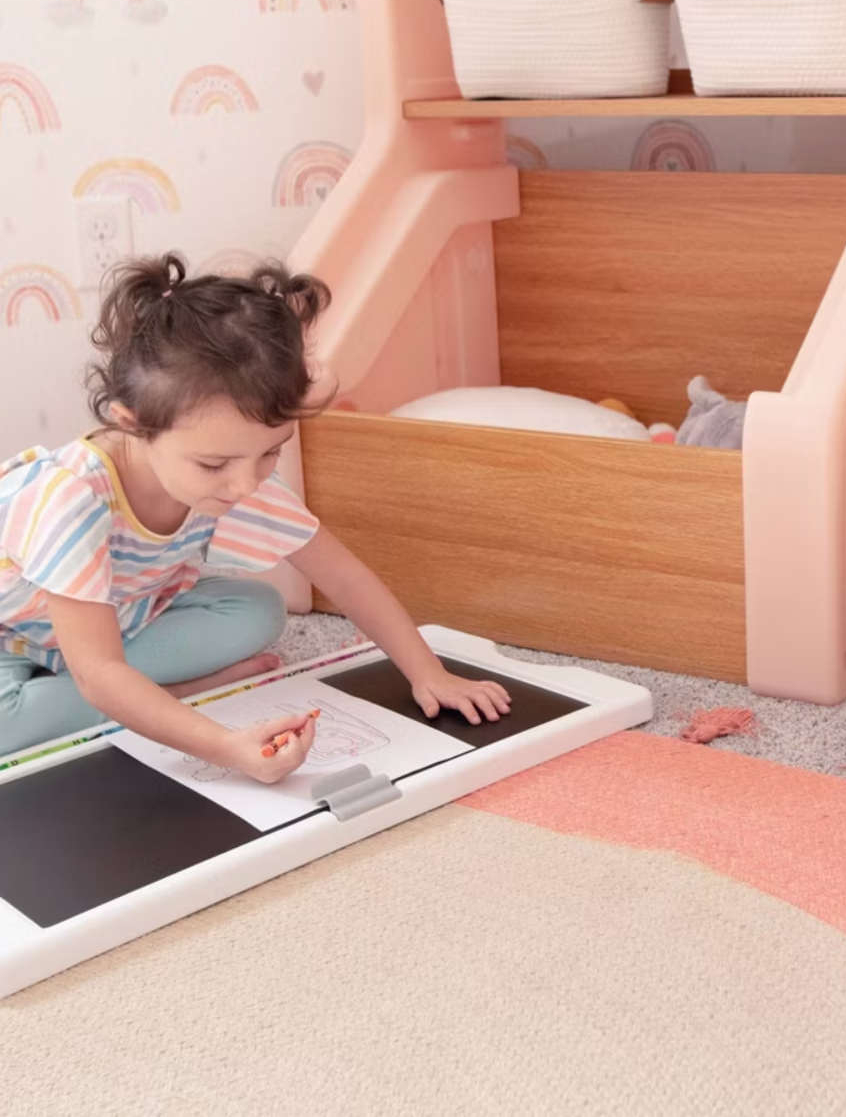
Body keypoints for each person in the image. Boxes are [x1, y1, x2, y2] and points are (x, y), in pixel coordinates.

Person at [0, 254, 510, 780]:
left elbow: (343, 574)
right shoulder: (70, 499)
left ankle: (136, 699)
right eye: (214, 464)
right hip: (11, 634)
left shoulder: (235, 468)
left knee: (259, 610)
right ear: (133, 426)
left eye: (271, 452)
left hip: (121, 616)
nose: (246, 484)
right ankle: (169, 697)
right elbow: (100, 672)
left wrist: (429, 673)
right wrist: (225, 746)